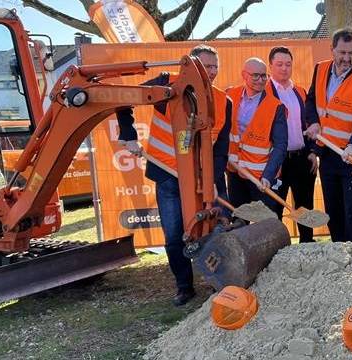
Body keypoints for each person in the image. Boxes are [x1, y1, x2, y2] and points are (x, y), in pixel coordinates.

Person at [116, 44, 230, 306]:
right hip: (167, 175)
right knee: (174, 234)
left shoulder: (223, 101)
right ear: (190, 66)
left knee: (212, 229)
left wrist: (214, 181)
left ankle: (219, 281)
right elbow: (123, 99)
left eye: (215, 67)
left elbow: (220, 149)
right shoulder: (166, 84)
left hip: (202, 179)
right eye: (205, 66)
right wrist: (128, 134)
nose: (211, 72)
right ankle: (184, 286)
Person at [304, 27, 352, 242]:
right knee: (333, 207)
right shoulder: (320, 69)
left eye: (351, 53)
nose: (346, 58)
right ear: (332, 49)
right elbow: (311, 100)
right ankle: (339, 249)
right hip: (328, 152)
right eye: (342, 52)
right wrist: (313, 122)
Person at [267, 46, 318, 242]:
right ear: (270, 66)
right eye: (279, 64)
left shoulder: (300, 91)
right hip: (276, 162)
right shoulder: (265, 93)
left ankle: (308, 246)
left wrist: (312, 151)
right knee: (274, 209)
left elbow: (309, 124)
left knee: (305, 208)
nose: (284, 68)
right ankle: (276, 249)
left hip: (301, 158)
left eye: (288, 64)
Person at [225, 58, 288, 217]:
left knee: (267, 223)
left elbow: (280, 145)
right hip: (235, 171)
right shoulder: (230, 96)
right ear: (244, 75)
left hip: (261, 177)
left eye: (264, 76)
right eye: (255, 76)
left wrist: (268, 175)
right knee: (239, 221)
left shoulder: (276, 106)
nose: (260, 80)